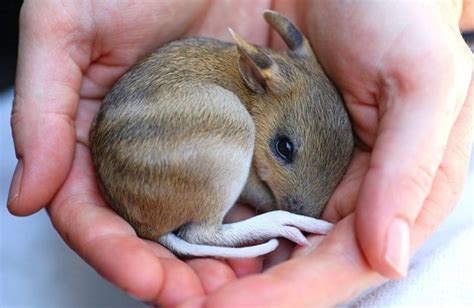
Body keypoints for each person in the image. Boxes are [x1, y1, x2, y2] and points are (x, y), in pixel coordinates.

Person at [8, 0, 473, 306]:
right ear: (256, 76)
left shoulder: (269, 99)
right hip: (150, 159)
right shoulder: (241, 101)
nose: (298, 196)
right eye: (284, 149)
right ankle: (208, 232)